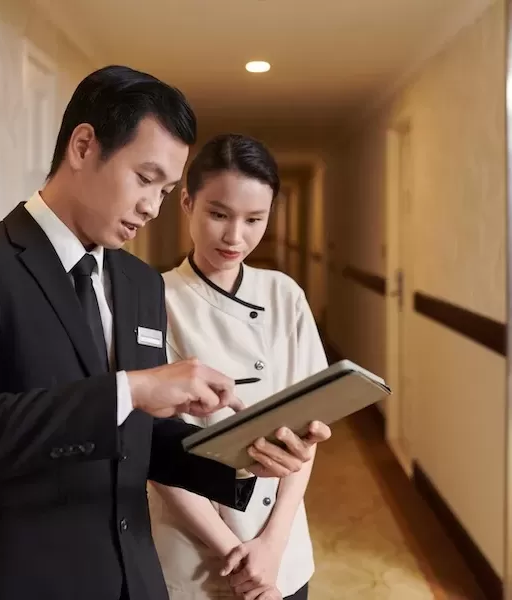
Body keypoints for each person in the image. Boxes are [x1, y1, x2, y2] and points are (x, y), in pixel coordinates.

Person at [0, 66, 332, 600]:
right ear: (84, 146)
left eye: (167, 188)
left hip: (136, 581)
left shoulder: (137, 281)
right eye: (145, 178)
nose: (153, 206)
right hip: (23, 582)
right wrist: (132, 390)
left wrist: (243, 456)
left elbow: (137, 442)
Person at [147, 134, 327, 600]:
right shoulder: (151, 300)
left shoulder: (285, 296)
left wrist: (271, 546)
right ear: (186, 202)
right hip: (192, 553)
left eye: (254, 219)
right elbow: (149, 447)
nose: (235, 237)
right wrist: (235, 553)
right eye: (218, 214)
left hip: (281, 550)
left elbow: (307, 431)